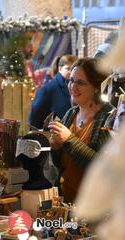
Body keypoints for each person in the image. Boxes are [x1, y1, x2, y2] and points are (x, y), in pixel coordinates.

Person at [49, 57, 114, 203]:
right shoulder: (70, 114)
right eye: (71, 80)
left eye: (80, 82)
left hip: (93, 208)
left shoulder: (109, 118)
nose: (73, 86)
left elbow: (102, 169)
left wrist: (69, 140)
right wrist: (56, 148)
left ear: (97, 86)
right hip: (66, 202)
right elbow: (60, 165)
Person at [29, 55, 77, 129]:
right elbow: (34, 122)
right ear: (59, 69)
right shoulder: (47, 90)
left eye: (73, 69)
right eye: (68, 69)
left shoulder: (74, 87)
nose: (71, 72)